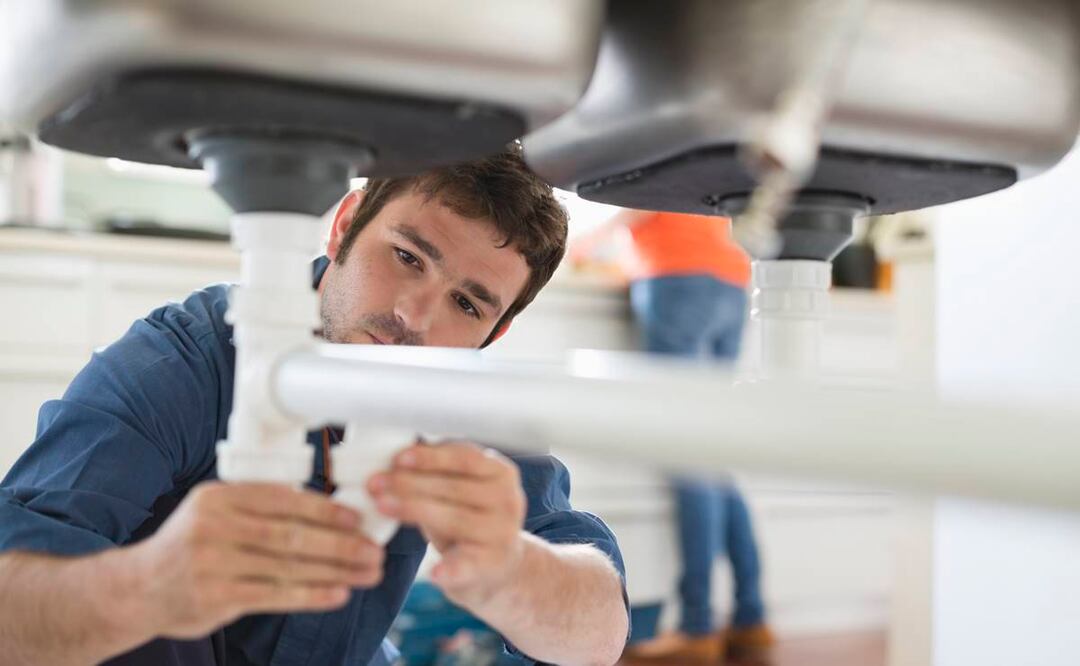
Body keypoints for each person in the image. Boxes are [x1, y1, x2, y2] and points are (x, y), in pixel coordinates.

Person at [0, 147, 629, 666]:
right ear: (344, 225)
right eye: (407, 257)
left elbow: (599, 638)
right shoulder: (183, 361)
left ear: (495, 332)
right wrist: (148, 588)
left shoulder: (462, 399)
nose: (414, 317)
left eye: (467, 304)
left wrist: (512, 566)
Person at [570, 209, 775, 665]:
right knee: (712, 460)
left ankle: (697, 627)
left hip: (677, 275)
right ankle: (751, 619)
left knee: (691, 457)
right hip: (731, 278)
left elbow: (637, 201)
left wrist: (582, 244)